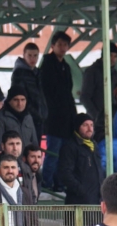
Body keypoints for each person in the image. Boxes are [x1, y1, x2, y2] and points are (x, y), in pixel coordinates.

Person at [40, 31, 77, 189]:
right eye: (60, 44)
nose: (63, 48)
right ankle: (47, 183)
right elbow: (50, 92)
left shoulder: (66, 67)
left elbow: (68, 92)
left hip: (66, 119)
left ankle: (59, 183)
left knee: (64, 155)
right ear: (53, 46)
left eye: (65, 45)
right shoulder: (47, 65)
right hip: (54, 119)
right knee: (53, 153)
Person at [57, 113, 103, 205]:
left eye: (91, 125)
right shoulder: (69, 147)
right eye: (85, 125)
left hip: (96, 201)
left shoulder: (94, 145)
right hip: (78, 202)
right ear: (77, 127)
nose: (90, 129)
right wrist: (82, 191)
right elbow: (65, 173)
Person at [81, 43, 117, 150]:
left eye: (115, 56)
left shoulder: (115, 74)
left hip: (112, 121)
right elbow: (85, 97)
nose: (112, 59)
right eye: (110, 55)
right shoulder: (92, 72)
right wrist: (97, 116)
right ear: (103, 55)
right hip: (97, 123)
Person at [10, 42, 47, 138]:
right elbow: (18, 96)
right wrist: (34, 112)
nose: (32, 58)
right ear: (24, 55)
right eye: (29, 55)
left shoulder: (38, 73)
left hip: (39, 117)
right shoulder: (19, 73)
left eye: (35, 55)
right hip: (28, 117)